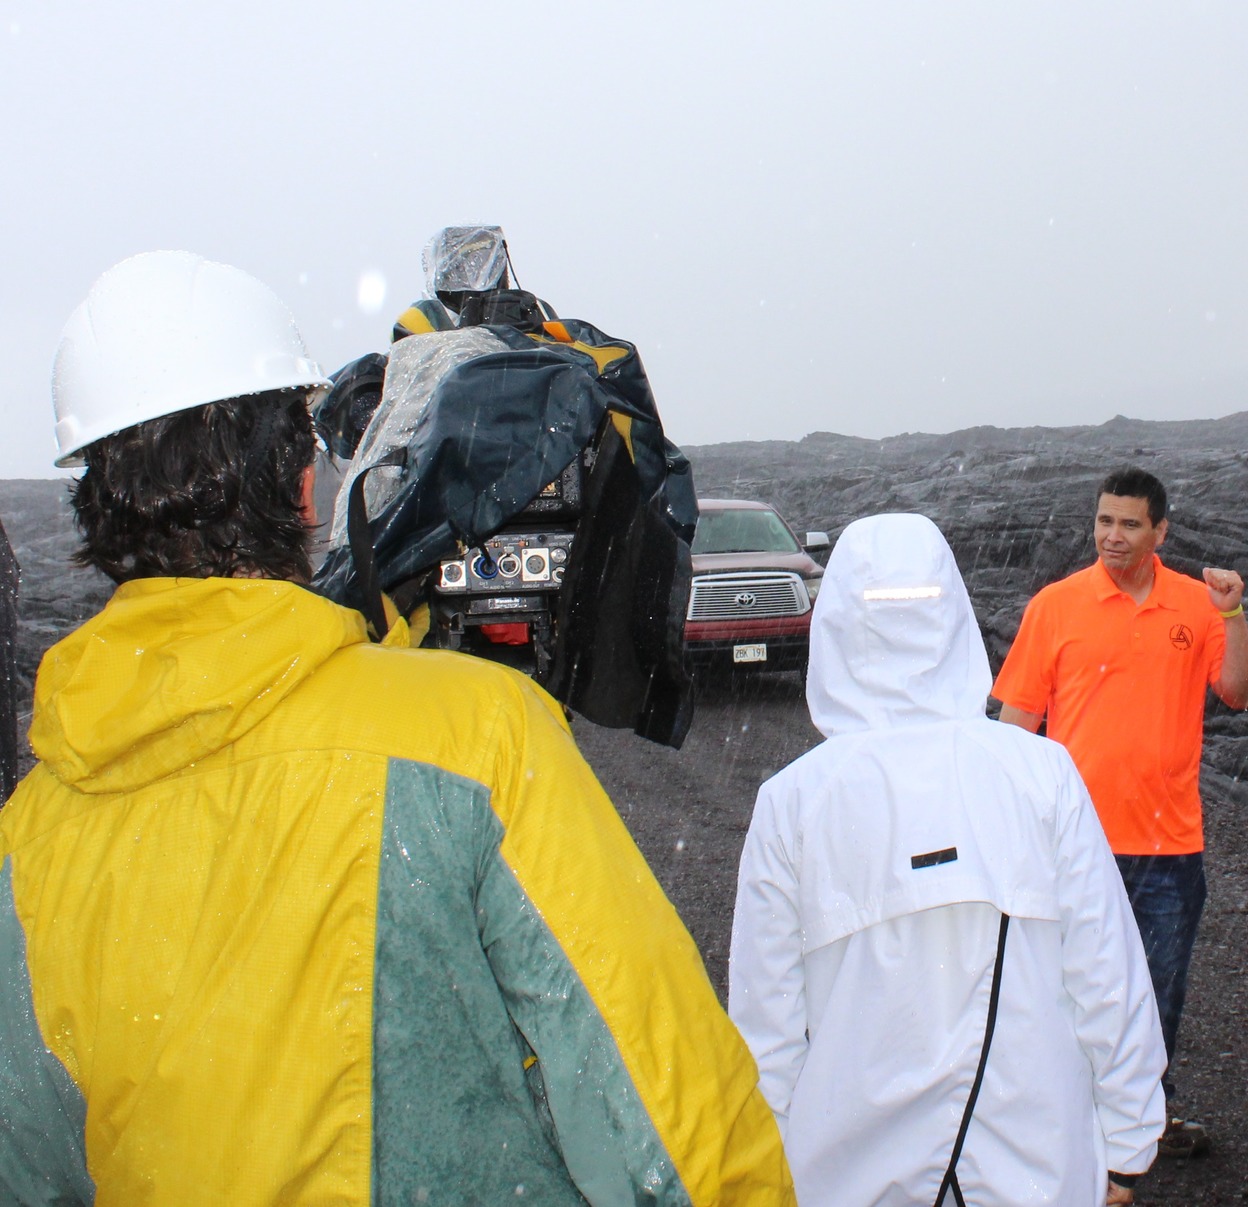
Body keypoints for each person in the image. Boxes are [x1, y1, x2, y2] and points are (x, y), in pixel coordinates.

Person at [0, 251, 792, 1204]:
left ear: (93, 504)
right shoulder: (478, 737)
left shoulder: (27, 843)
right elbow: (673, 1128)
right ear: (303, 483)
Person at [729, 513, 1167, 1206]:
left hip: (850, 1168)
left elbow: (766, 1023)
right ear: (954, 615)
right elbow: (1106, 968)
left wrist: (768, 1164)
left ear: (835, 623)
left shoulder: (795, 802)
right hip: (1033, 1160)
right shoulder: (1039, 773)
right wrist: (1129, 1138)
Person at [992, 467, 1248, 1157]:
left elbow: (1240, 693)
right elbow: (1016, 724)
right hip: (1073, 844)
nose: (1112, 536)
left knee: (1155, 996)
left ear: (1160, 531)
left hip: (1169, 846)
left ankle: (1143, 1124)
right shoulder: (1055, 605)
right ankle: (1066, 1124)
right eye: (1104, 521)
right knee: (1063, 993)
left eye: (1129, 524)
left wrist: (1232, 614)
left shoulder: (1197, 604)